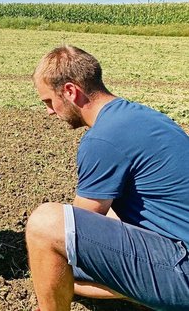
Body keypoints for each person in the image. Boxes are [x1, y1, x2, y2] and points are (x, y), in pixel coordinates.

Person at [26, 45, 189, 310]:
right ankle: (140, 287)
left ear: (70, 91)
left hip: (184, 270)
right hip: (178, 247)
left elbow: (71, 237)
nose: (49, 111)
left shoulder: (102, 138)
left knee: (47, 232)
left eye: (48, 101)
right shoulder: (142, 116)